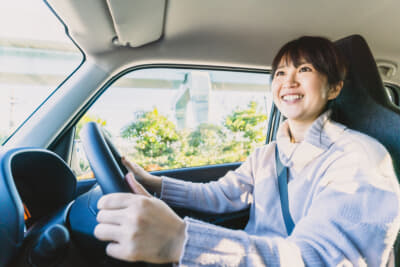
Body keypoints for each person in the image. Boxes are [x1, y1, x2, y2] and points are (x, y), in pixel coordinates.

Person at [94, 36, 400, 266]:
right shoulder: (267, 155)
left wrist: (181, 240)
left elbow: (319, 259)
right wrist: (153, 182)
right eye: (280, 73)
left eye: (304, 69)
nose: (288, 81)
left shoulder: (361, 160)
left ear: (334, 89)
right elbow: (221, 195)